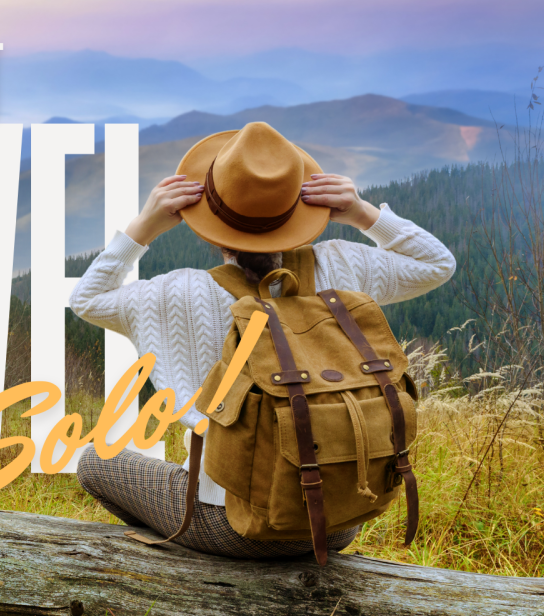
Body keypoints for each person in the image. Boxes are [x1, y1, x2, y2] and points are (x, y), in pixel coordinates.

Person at [69, 122, 455, 558]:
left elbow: (87, 298)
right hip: (338, 520)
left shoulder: (176, 292)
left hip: (230, 526)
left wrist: (145, 225)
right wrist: (362, 213)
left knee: (95, 462)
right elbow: (437, 263)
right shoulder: (343, 266)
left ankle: (195, 565)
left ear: (204, 221)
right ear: (300, 209)